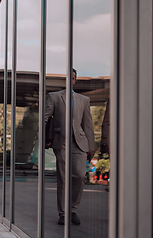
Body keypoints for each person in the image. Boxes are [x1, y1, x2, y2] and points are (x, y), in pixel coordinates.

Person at [45, 68, 95, 225]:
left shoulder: (84, 100)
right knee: (63, 177)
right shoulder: (54, 97)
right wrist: (45, 138)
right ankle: (63, 213)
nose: (70, 80)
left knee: (80, 176)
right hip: (61, 142)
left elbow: (88, 125)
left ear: (75, 80)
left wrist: (91, 146)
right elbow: (45, 119)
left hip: (79, 143)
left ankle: (73, 209)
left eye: (73, 78)